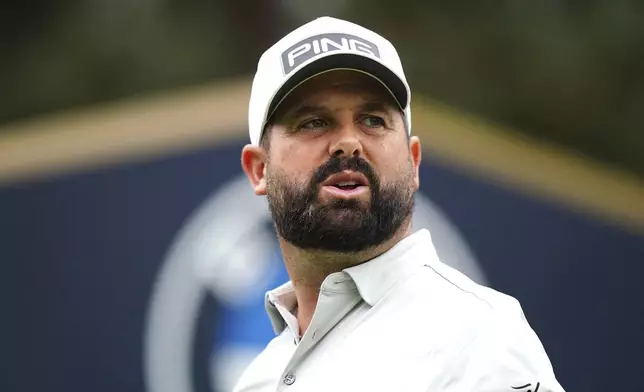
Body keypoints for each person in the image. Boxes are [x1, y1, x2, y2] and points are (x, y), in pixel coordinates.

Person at [235, 16, 565, 392]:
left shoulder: (478, 336)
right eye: (313, 122)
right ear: (259, 169)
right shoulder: (258, 378)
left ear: (414, 161)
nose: (348, 143)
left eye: (373, 120)